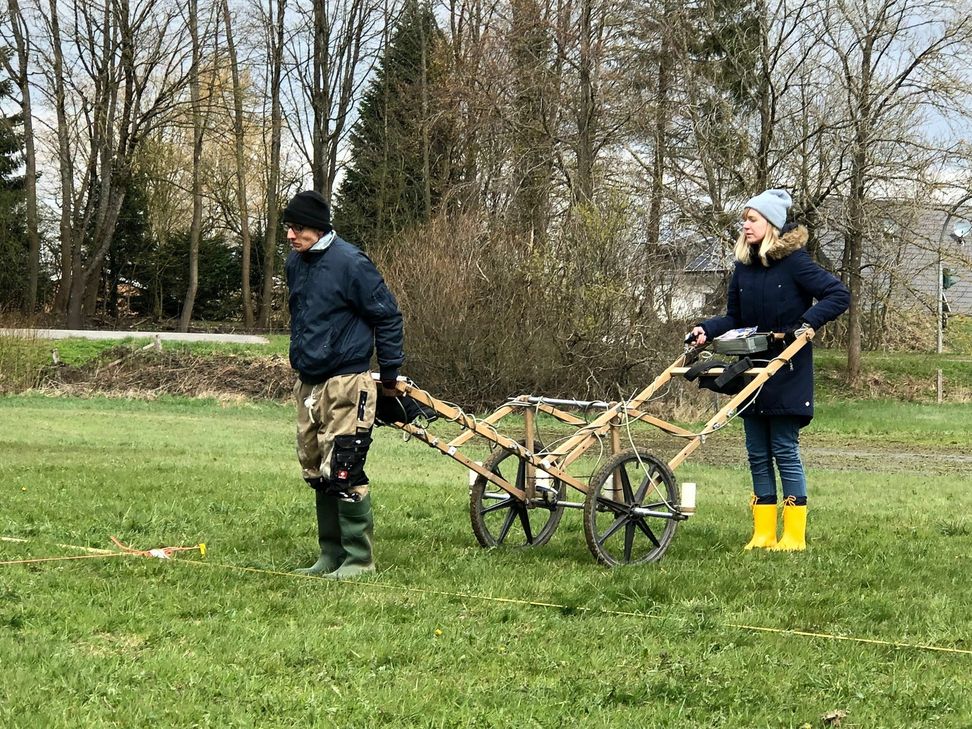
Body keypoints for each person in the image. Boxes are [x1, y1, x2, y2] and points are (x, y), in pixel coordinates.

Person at [689, 189, 849, 552]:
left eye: (752, 219)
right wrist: (706, 329)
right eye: (744, 219)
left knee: (783, 448)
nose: (745, 224)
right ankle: (763, 532)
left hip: (788, 367)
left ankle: (792, 536)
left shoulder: (795, 263)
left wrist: (805, 324)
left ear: (771, 225)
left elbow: (838, 294)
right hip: (752, 369)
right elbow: (735, 318)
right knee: (756, 451)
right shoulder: (744, 268)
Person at [283, 190, 404, 578]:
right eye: (289, 227)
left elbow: (388, 317)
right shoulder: (295, 264)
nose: (290, 235)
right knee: (316, 467)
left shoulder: (351, 263)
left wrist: (389, 375)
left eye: (297, 228)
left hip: (348, 381)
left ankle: (358, 560)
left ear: (318, 228)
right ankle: (329, 554)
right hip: (309, 384)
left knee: (344, 468)